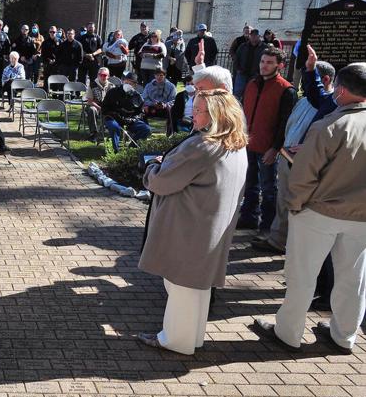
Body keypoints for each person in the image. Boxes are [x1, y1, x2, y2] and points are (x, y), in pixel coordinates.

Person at [253, 62, 366, 355]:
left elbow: (303, 177)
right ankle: (345, 335)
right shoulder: (333, 125)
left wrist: (295, 206)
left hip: (319, 211)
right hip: (361, 217)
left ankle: (288, 332)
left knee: (302, 274)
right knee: (353, 278)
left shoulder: (329, 125)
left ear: (340, 91)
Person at [137, 89, 249, 355]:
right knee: (198, 286)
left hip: (190, 225)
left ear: (216, 115)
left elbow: (163, 181)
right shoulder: (236, 144)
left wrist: (152, 166)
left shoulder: (202, 145)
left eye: (199, 110)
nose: (193, 115)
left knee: (180, 285)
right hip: (212, 224)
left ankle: (175, 340)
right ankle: (193, 337)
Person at [251, 47, 336, 307]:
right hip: (289, 159)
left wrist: (277, 147)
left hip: (310, 172)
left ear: (328, 82)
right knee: (284, 203)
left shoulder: (330, 107)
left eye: (269, 62)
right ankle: (278, 239)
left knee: (297, 213)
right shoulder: (310, 99)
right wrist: (309, 70)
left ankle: (313, 286)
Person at [237, 47, 296, 234]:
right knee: (249, 184)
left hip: (267, 147)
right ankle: (249, 217)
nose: (264, 65)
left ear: (280, 65)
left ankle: (268, 225)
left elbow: (285, 123)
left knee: (269, 189)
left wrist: (275, 148)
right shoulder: (252, 83)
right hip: (247, 144)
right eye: (263, 61)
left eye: (269, 62)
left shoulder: (286, 90)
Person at [101, 71, 152, 152]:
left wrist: (133, 119)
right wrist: (115, 115)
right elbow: (104, 108)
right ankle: (116, 152)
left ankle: (131, 149)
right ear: (123, 81)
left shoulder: (137, 96)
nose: (128, 83)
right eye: (126, 81)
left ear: (135, 85)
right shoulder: (112, 92)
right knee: (115, 127)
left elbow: (140, 113)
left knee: (146, 129)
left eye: (131, 83)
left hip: (129, 120)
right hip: (113, 118)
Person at [234, 28, 265, 100]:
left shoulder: (264, 48)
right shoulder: (243, 46)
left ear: (259, 36)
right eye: (252, 35)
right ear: (250, 36)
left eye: (255, 35)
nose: (253, 37)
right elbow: (236, 58)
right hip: (242, 73)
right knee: (237, 94)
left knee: (250, 94)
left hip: (255, 75)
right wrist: (238, 69)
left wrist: (260, 73)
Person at [84, 67, 112, 140]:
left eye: (105, 75)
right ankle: (93, 133)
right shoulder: (92, 85)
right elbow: (90, 101)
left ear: (108, 76)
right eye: (101, 75)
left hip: (106, 107)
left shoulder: (111, 86)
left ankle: (109, 132)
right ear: (98, 75)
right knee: (92, 110)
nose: (103, 76)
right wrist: (99, 108)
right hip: (94, 105)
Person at [78, 22, 102, 86]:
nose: (90, 28)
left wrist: (92, 54)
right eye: (89, 27)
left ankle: (92, 93)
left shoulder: (97, 37)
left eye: (92, 27)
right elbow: (79, 49)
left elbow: (100, 49)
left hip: (94, 60)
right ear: (87, 28)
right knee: (81, 78)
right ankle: (80, 94)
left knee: (94, 79)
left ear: (94, 28)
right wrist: (86, 55)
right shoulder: (82, 37)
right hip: (83, 61)